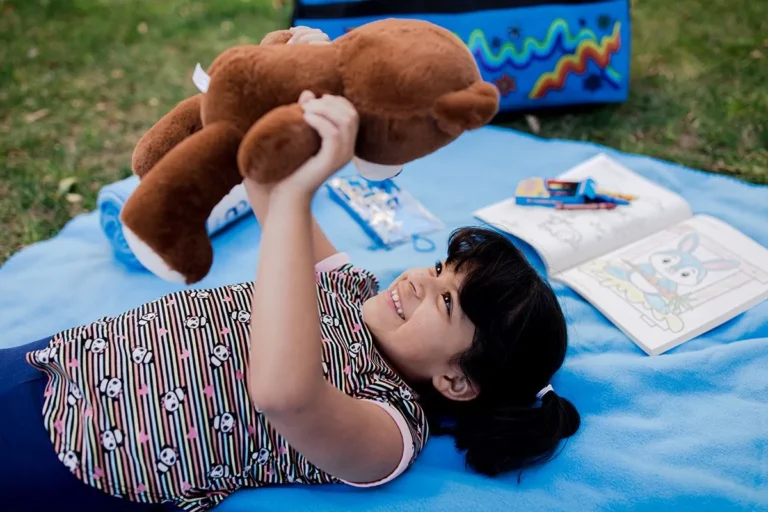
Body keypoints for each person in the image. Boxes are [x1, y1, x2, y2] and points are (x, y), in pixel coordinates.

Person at [0, 27, 580, 512]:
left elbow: (285, 395)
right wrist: (296, 89)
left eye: (447, 301)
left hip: (81, 452)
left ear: (457, 380)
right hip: (59, 358)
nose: (421, 281)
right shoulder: (351, 287)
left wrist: (304, 196)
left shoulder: (392, 430)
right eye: (438, 268)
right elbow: (267, 186)